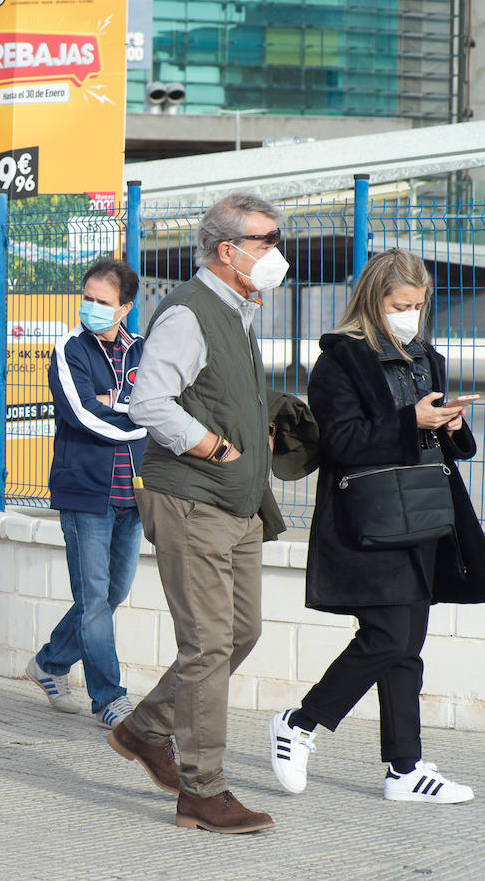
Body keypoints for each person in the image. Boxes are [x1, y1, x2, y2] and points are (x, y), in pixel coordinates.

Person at [268, 249, 484, 805]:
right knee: (387, 636)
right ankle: (300, 721)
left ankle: (404, 770)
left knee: (406, 643)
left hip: (425, 511)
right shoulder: (340, 360)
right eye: (400, 304)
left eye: (418, 304)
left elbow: (436, 443)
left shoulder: (424, 357)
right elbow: (338, 441)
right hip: (369, 516)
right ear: (373, 300)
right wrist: (408, 419)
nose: (411, 314)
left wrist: (448, 422)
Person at [109, 193, 287, 834]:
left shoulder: (238, 310)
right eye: (265, 240)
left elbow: (215, 393)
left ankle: (145, 730)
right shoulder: (189, 312)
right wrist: (211, 444)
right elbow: (149, 404)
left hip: (236, 502)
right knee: (209, 644)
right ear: (226, 249)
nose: (275, 251)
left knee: (240, 633)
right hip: (192, 497)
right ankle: (202, 790)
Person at [27, 257, 146, 729]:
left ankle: (50, 663)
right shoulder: (69, 350)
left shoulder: (142, 350)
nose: (91, 308)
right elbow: (82, 414)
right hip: (85, 494)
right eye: (88, 298)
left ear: (125, 307)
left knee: (112, 595)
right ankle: (108, 699)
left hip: (133, 495)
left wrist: (119, 405)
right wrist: (138, 417)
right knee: (94, 599)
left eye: (103, 302)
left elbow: (163, 402)